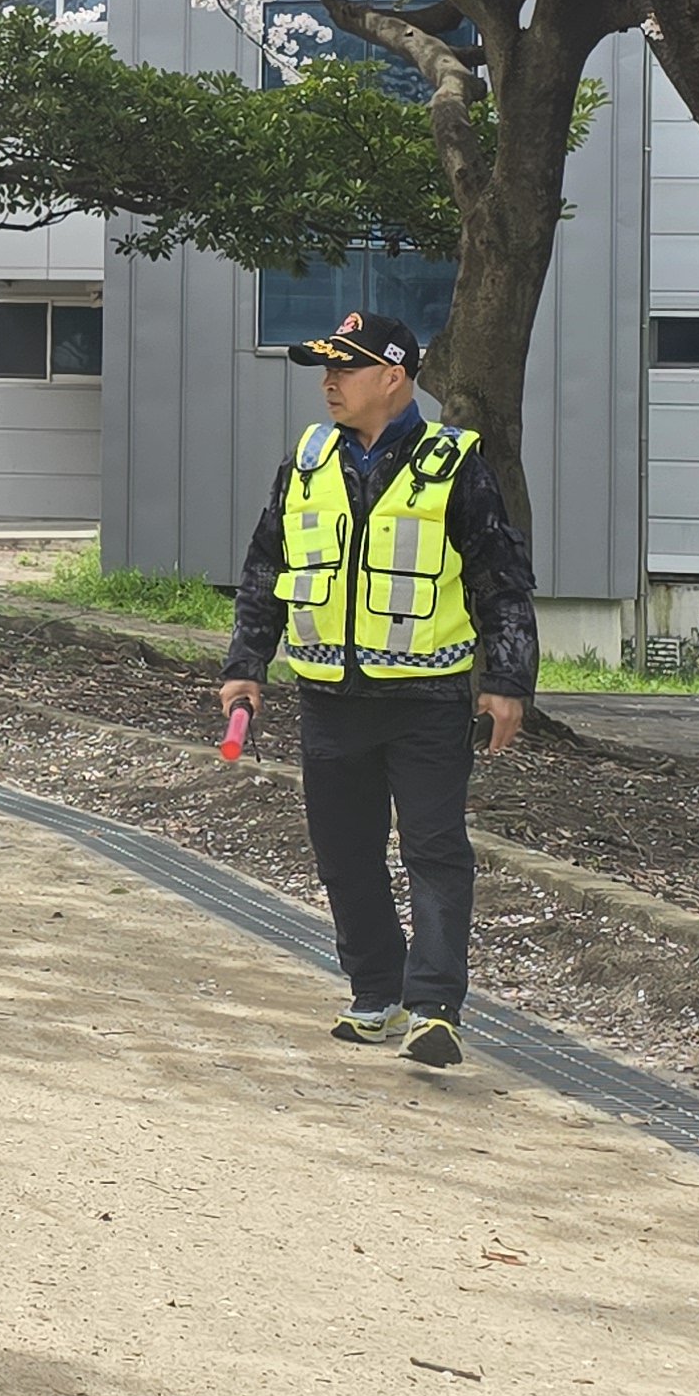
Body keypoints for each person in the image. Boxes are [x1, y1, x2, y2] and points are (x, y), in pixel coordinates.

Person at [219, 311, 537, 1071]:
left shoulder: (454, 464)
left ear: (393, 377)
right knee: (344, 854)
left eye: (345, 368)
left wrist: (506, 681)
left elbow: (501, 580)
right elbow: (266, 567)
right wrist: (246, 664)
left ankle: (434, 1009)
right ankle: (376, 992)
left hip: (426, 702)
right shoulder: (307, 462)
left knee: (435, 850)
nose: (329, 383)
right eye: (325, 369)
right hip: (330, 697)